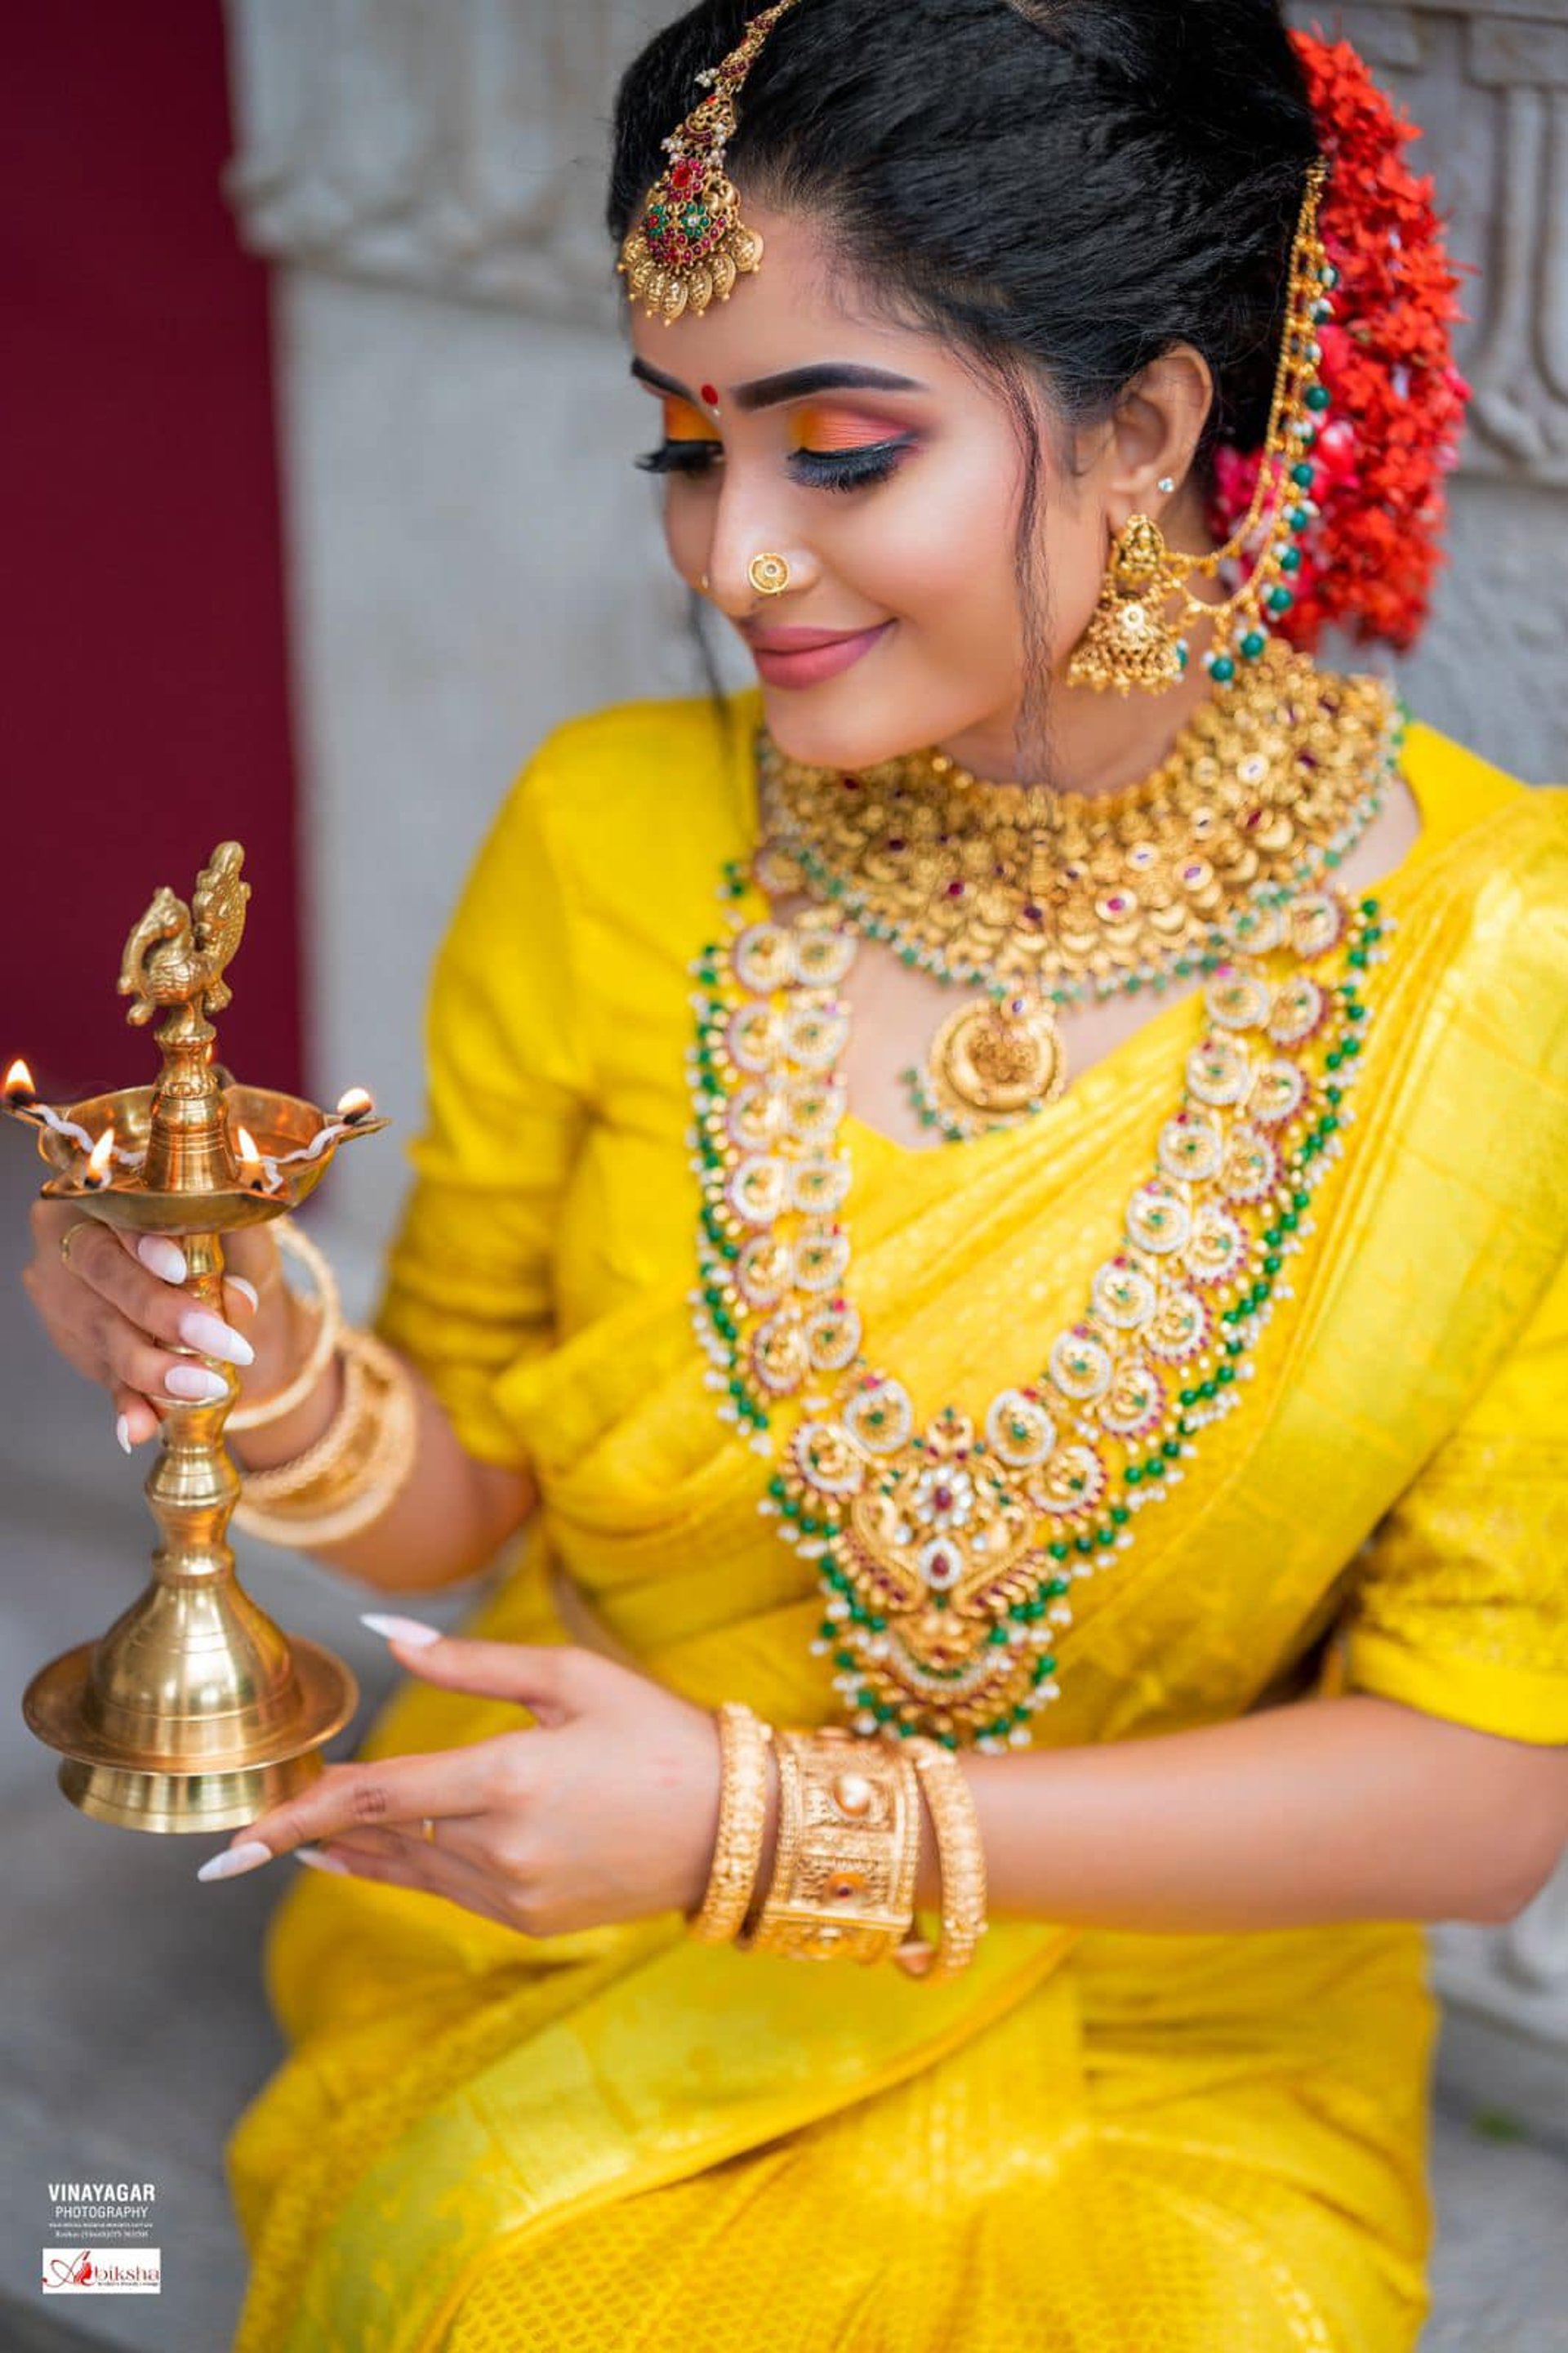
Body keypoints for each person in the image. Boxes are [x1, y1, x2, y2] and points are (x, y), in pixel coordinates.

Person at [23, 3, 1568, 2346]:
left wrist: (776, 1826)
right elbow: (472, 1501)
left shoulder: (1504, 965)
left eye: (842, 449)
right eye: (683, 447)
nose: (737, 556)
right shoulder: (612, 836)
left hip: (1165, 2020)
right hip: (577, 1914)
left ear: (1145, 429)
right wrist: (275, 1376)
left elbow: (1483, 1785)